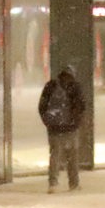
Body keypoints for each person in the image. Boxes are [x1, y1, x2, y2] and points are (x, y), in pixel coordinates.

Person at [38, 65, 85, 193]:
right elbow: (81, 107)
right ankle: (73, 183)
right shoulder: (75, 87)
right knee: (72, 157)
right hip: (70, 128)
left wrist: (49, 122)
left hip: (54, 128)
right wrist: (75, 123)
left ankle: (53, 183)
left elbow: (42, 106)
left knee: (55, 155)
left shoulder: (51, 86)